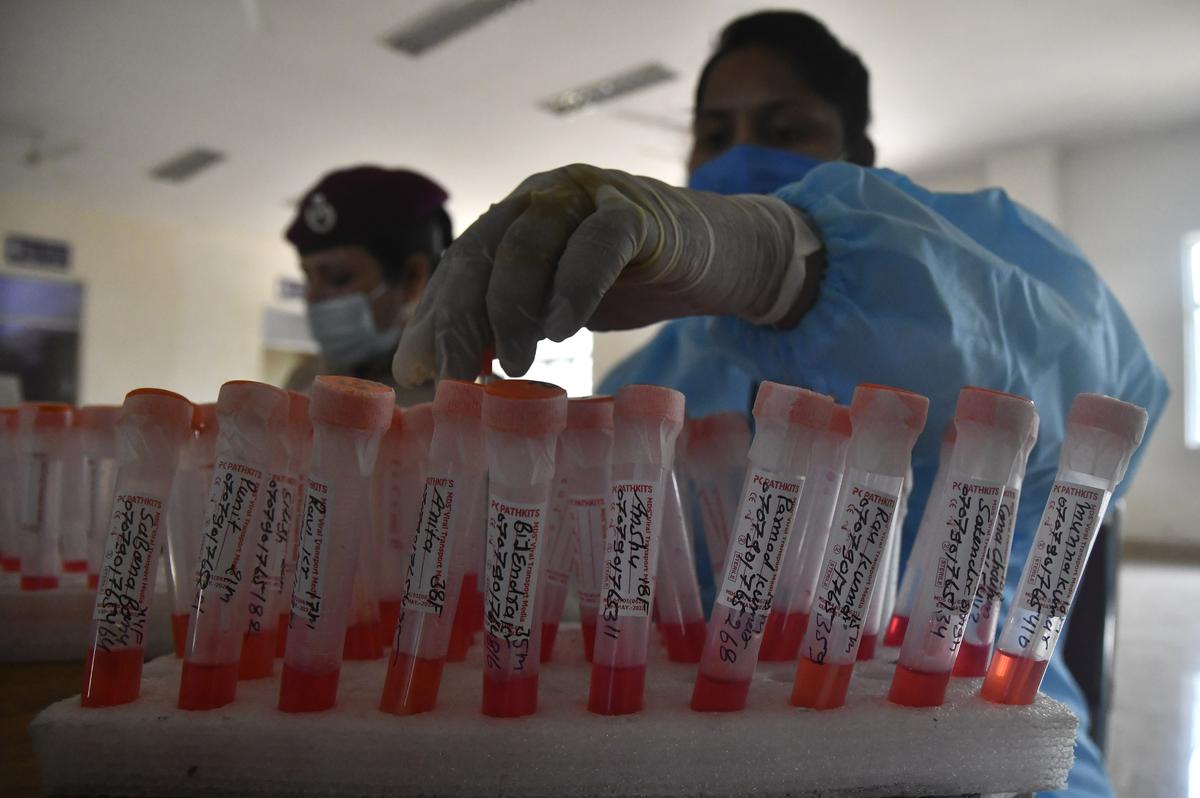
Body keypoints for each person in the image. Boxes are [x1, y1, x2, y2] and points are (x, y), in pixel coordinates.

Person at [391, 11, 1167, 796]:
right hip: (703, 751)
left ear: (857, 159)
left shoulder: (984, 270)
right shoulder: (654, 380)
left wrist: (786, 260)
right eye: (713, 132)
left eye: (785, 126)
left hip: (981, 752)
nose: (738, 157)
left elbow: (1073, 371)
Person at [284, 165, 451, 404]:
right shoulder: (304, 378)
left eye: (337, 277)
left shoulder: (457, 400)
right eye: (308, 277)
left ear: (412, 277)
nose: (312, 297)